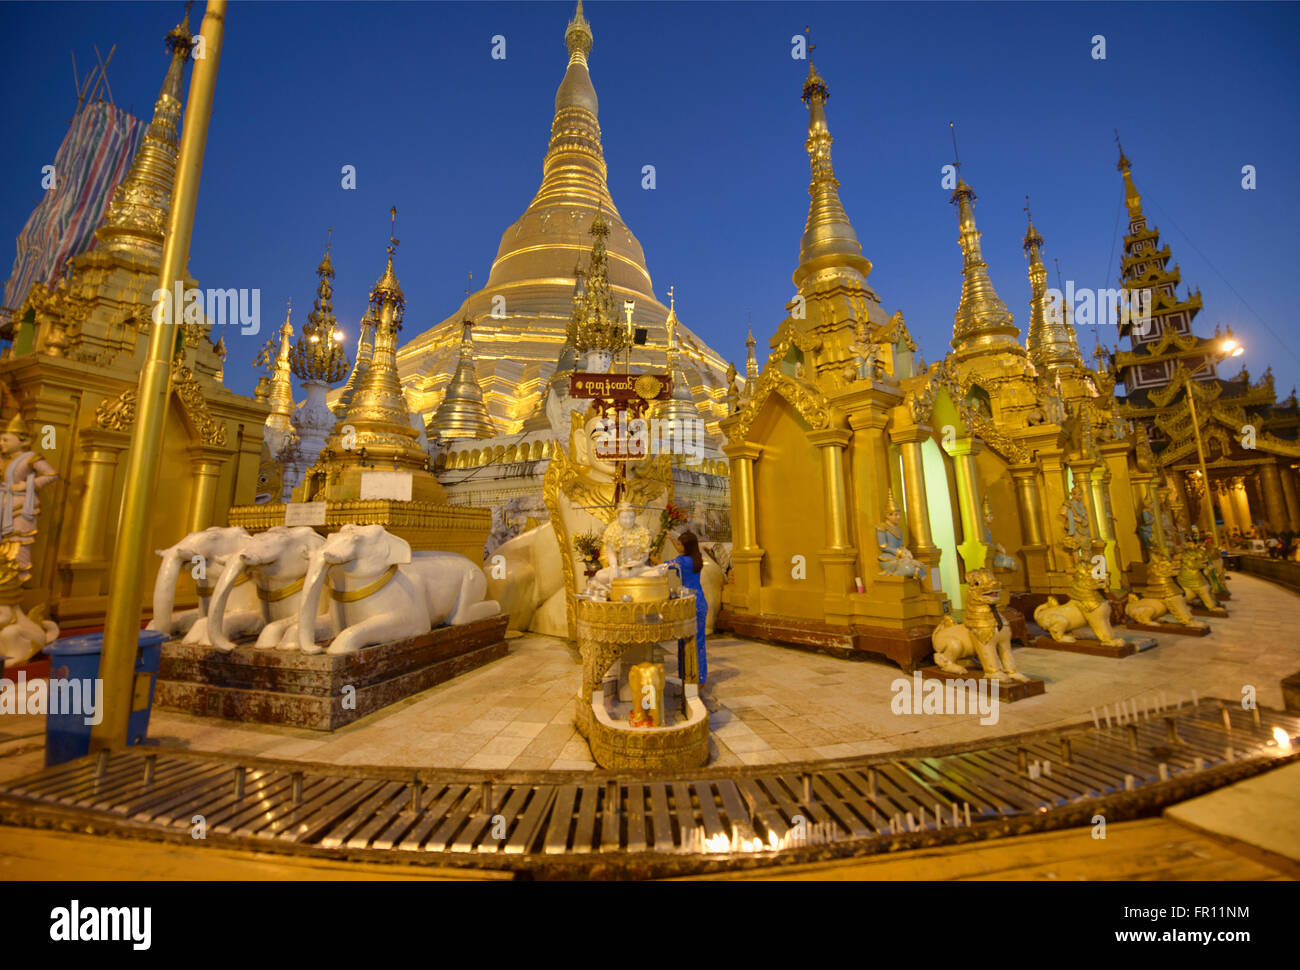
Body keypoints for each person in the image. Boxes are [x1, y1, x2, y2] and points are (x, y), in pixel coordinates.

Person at [667, 530, 708, 687]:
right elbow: (680, 551)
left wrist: (651, 556)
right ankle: (700, 678)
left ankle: (686, 676)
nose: (677, 546)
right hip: (700, 602)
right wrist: (671, 539)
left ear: (686, 547)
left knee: (684, 642)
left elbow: (662, 567)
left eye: (679, 544)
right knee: (698, 642)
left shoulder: (681, 561)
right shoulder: (697, 558)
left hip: (688, 604)